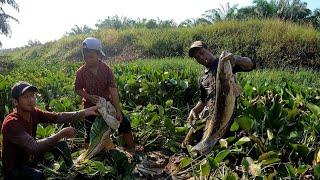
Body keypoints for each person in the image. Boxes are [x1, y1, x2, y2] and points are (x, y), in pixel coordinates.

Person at [1, 81, 99, 180]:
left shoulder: (33, 112)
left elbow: (57, 117)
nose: (31, 100)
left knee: (62, 145)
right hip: (14, 169)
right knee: (38, 175)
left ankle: (71, 172)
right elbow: (34, 147)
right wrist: (61, 134)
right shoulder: (11, 123)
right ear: (15, 102)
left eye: (32, 96)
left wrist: (86, 111)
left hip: (30, 158)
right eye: (26, 97)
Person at [182, 41, 255, 148]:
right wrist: (195, 110)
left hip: (227, 113)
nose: (201, 58)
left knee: (218, 144)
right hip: (210, 116)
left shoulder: (224, 63)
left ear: (208, 49)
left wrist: (237, 59)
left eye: (202, 53)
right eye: (197, 57)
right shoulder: (203, 78)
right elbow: (203, 100)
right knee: (187, 143)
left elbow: (251, 64)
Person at [74, 37, 135, 151]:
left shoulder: (106, 70)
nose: (87, 59)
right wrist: (89, 97)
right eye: (85, 56)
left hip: (107, 104)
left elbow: (113, 90)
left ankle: (131, 150)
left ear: (99, 55)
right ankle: (88, 158)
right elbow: (77, 89)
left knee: (124, 123)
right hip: (90, 107)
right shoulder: (81, 72)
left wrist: (117, 110)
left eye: (91, 56)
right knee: (90, 133)